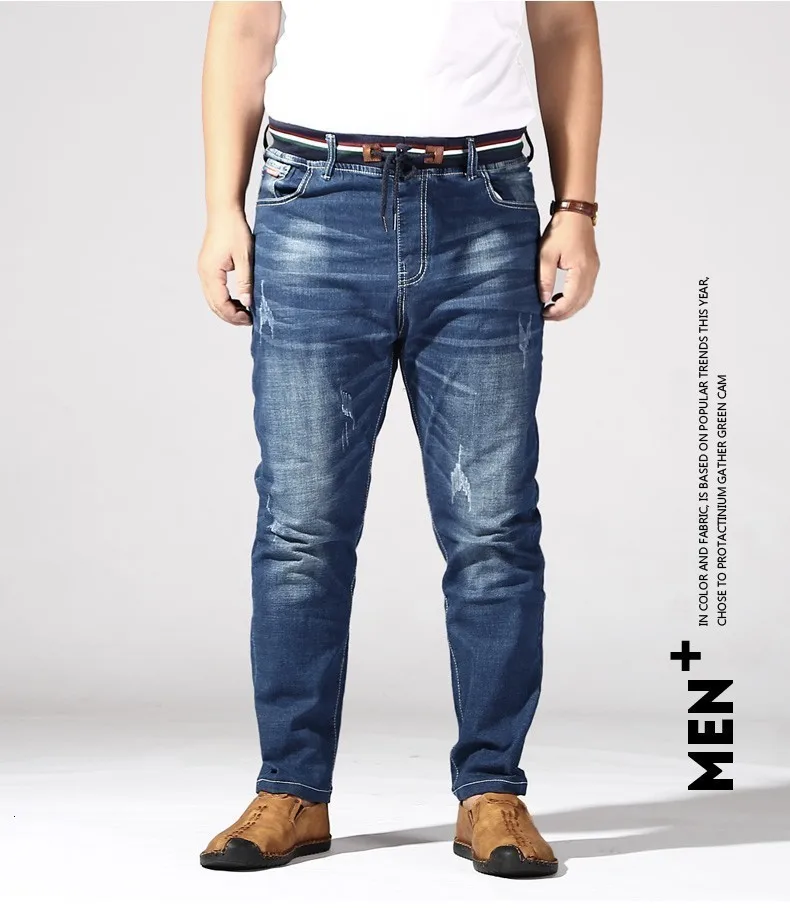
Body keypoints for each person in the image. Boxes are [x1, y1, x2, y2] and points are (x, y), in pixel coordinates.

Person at [197, 0, 601, 879]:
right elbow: (243, 26)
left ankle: (492, 790)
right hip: (314, 196)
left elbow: (566, 25)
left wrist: (576, 206)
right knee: (301, 526)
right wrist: (222, 208)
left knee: (493, 526)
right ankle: (291, 789)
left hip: (484, 201)